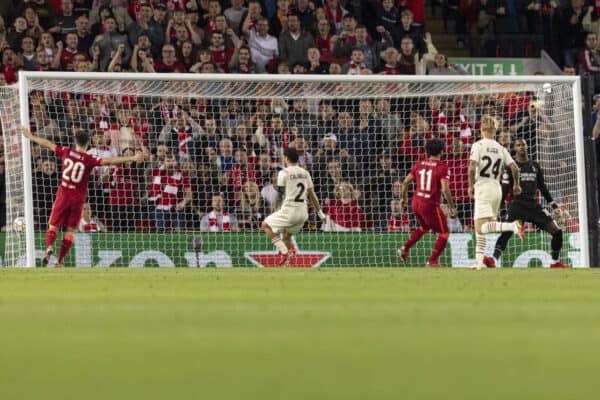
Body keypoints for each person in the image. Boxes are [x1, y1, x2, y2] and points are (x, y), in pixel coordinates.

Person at [20, 126, 142, 267]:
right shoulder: (89, 159)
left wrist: (31, 136)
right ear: (88, 142)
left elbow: (48, 143)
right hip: (78, 199)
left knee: (53, 226)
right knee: (70, 230)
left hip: (63, 195)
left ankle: (49, 248)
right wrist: (132, 157)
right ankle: (59, 260)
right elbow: (110, 161)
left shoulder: (66, 151)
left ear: (75, 141)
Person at [491, 139, 569, 268]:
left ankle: (554, 262)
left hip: (534, 205)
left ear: (527, 147)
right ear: (514, 149)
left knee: (557, 232)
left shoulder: (535, 166)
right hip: (518, 205)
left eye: (523, 145)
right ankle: (493, 260)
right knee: (506, 234)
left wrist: (554, 206)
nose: (521, 147)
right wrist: (497, 209)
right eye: (518, 145)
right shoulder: (510, 167)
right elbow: (504, 190)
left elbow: (542, 188)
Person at [468, 115, 524, 269]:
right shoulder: (501, 148)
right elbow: (515, 168)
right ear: (494, 130)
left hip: (483, 187)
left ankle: (513, 226)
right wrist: (516, 185)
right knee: (483, 228)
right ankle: (479, 263)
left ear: (481, 129)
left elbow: (472, 167)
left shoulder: (478, 145)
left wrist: (470, 185)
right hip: (497, 189)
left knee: (480, 227)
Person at [398, 138, 458, 267]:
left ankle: (405, 248)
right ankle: (432, 261)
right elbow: (445, 189)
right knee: (444, 232)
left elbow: (405, 183)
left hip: (416, 202)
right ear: (442, 151)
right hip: (429, 204)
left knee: (424, 227)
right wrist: (452, 207)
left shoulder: (419, 164)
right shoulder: (442, 167)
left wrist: (403, 198)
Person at [261, 147, 326, 265]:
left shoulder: (283, 172)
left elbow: (280, 194)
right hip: (303, 214)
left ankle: (284, 251)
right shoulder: (305, 173)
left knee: (265, 225)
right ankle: (286, 265)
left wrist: (275, 208)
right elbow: (312, 195)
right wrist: (320, 213)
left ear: (286, 158)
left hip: (290, 211)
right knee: (287, 235)